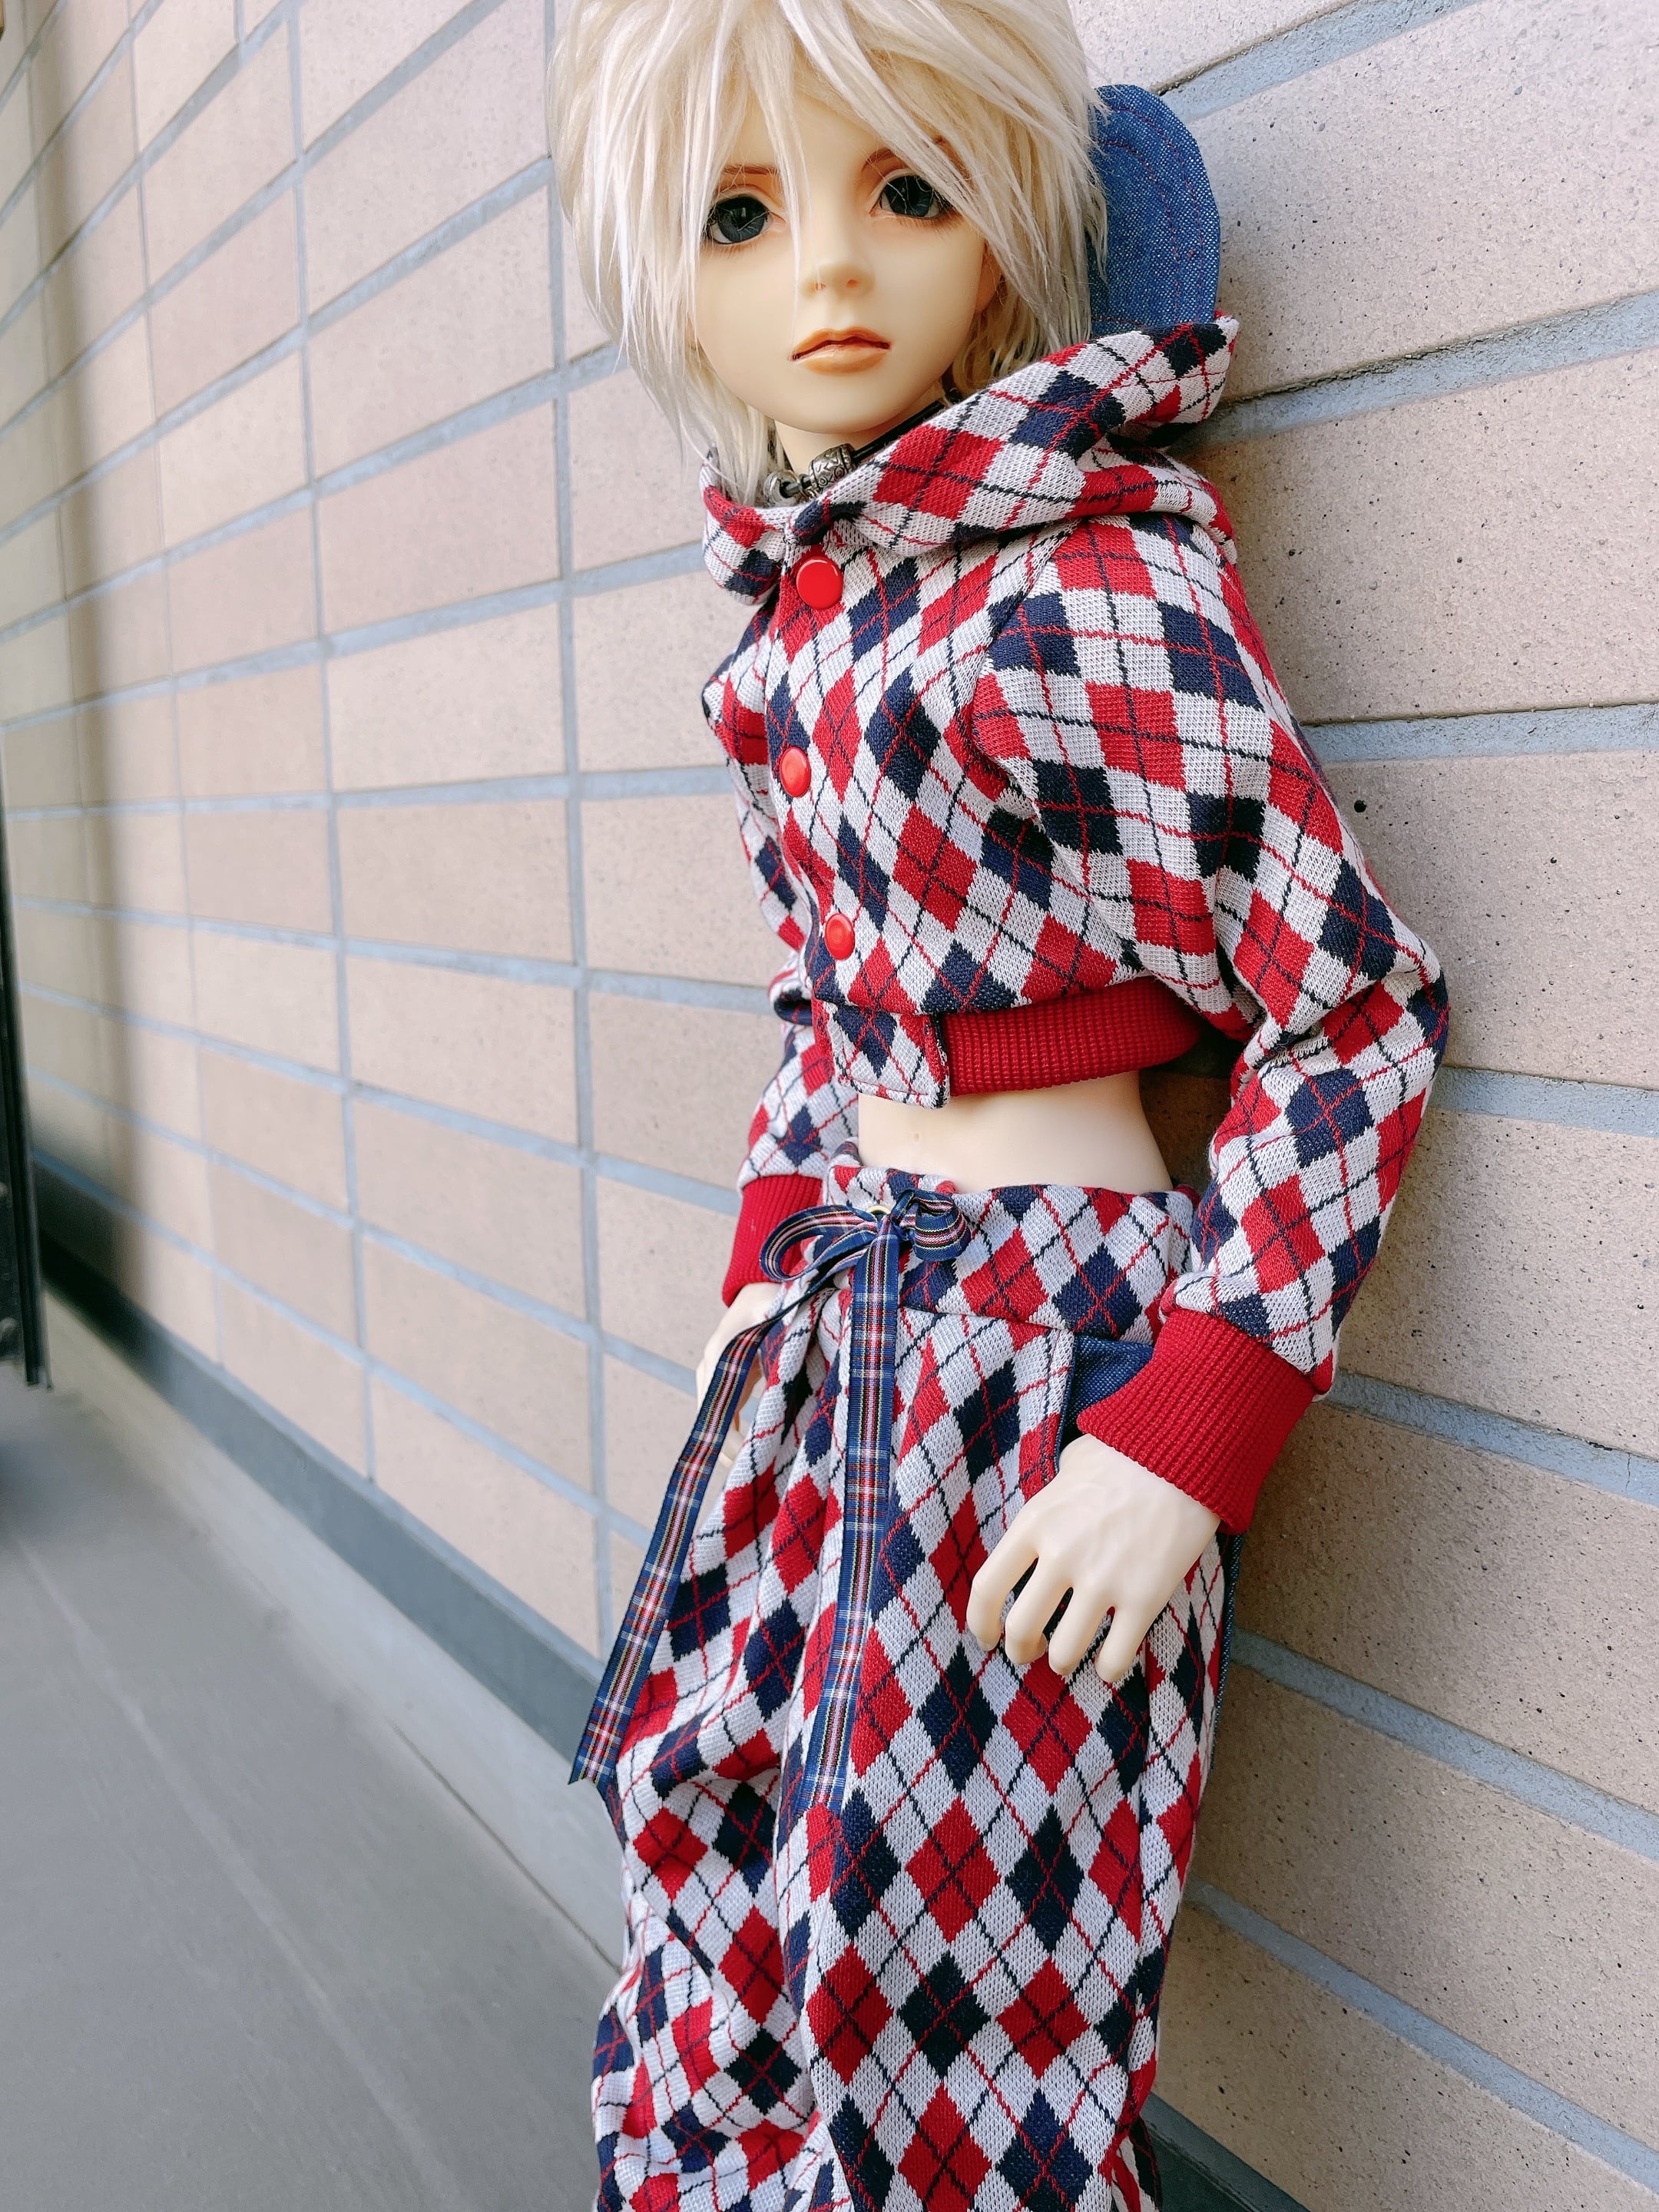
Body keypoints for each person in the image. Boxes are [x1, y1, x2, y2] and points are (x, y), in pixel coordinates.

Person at [551, 4, 1449, 2207]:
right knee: (730, 1862)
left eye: (907, 193)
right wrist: (765, 1270)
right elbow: (829, 1005)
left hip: (1040, 1356)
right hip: (831, 1337)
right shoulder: (801, 618)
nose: (826, 271)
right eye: (737, 217)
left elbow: (1347, 1011)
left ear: (1012, 228)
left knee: (957, 1975)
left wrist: (1185, 1430)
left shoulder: (1087, 587)